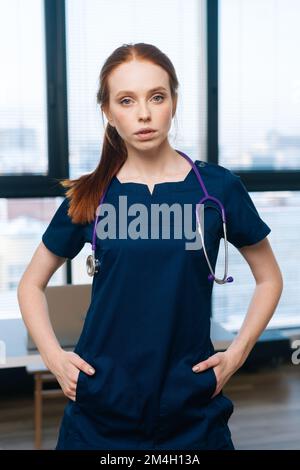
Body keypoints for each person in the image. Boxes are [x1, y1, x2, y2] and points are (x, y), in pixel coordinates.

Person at [17, 43, 283, 450]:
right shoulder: (89, 195)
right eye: (126, 100)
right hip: (100, 407)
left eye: (156, 97)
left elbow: (269, 279)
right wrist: (54, 357)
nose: (143, 113)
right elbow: (30, 284)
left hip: (191, 407)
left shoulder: (217, 189)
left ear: (174, 101)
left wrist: (235, 356)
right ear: (107, 111)